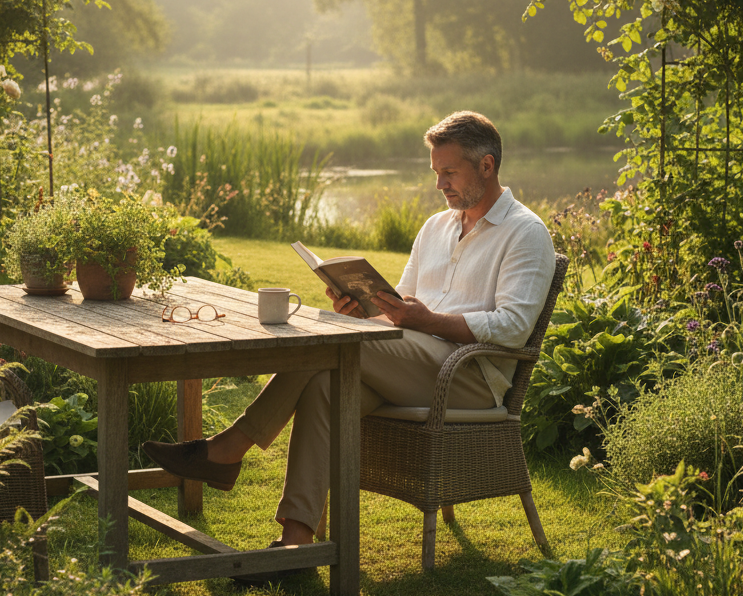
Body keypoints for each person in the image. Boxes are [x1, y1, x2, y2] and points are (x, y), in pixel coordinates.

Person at [144, 110, 555, 556]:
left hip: (469, 379)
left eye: (449, 173)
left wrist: (426, 321)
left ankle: (229, 448)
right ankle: (296, 545)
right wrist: (363, 313)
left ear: (487, 165)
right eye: (436, 173)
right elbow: (400, 308)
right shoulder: (435, 228)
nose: (440, 185)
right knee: (323, 383)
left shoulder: (525, 233)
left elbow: (513, 329)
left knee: (329, 350)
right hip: (410, 363)